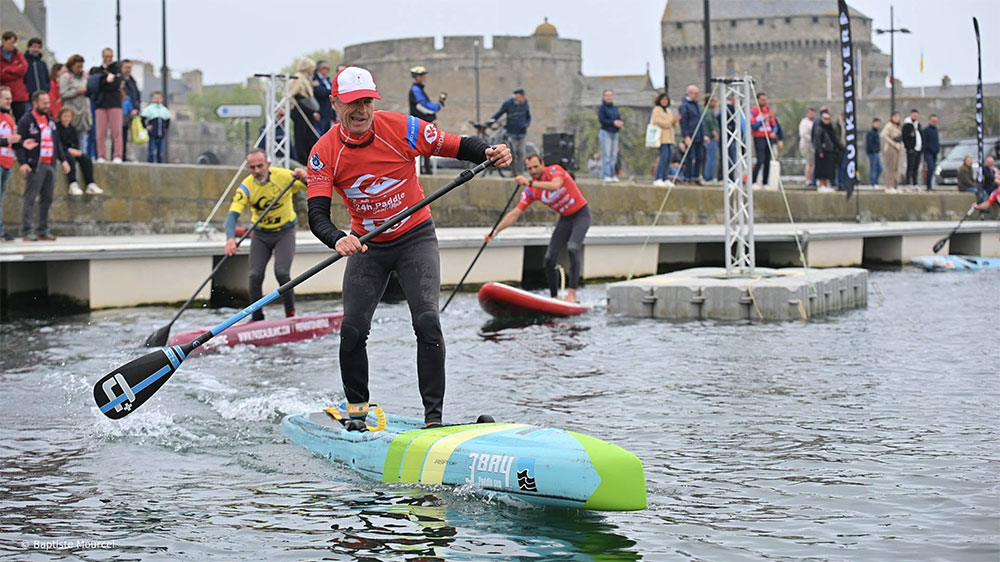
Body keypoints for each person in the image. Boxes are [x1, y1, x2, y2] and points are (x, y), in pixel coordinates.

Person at [306, 66, 511, 431]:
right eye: (352, 103)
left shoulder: (403, 127)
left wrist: (489, 151)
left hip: (415, 238)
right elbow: (316, 215)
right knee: (352, 330)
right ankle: (356, 415)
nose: (361, 111)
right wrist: (338, 238)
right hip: (368, 248)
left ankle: (433, 421)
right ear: (335, 104)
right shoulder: (324, 153)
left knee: (428, 321)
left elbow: (457, 145)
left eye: (367, 102)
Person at [486, 153, 590, 303]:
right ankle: (554, 298)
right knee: (549, 259)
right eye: (530, 169)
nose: (533, 171)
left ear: (542, 164)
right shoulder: (530, 190)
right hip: (565, 219)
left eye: (536, 166)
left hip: (581, 215)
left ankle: (572, 294)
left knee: (573, 248)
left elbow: (555, 186)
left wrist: (529, 182)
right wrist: (495, 231)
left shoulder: (555, 171)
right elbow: (515, 213)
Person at [224, 149, 307, 320]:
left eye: (260, 166)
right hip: (261, 235)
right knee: (255, 275)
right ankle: (257, 318)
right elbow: (232, 216)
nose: (256, 171)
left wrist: (304, 176)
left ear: (268, 165)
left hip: (285, 232)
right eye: (252, 167)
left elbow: (312, 185)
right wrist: (230, 239)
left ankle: (290, 315)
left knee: (282, 273)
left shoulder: (284, 176)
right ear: (248, 168)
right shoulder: (246, 187)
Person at [15, 91, 70, 241]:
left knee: (47, 198)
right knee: (30, 198)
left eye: (48, 102)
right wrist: (23, 162)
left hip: (50, 164)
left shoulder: (50, 120)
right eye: (44, 103)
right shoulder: (26, 120)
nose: (47, 106)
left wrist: (63, 160)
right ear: (35, 103)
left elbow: (56, 142)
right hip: (35, 165)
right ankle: (27, 231)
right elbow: (19, 143)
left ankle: (43, 230)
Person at [408, 66, 445, 175]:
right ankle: (425, 171)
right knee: (423, 147)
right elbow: (423, 106)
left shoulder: (419, 89)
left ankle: (426, 170)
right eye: (422, 76)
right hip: (419, 124)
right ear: (416, 77)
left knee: (426, 148)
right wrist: (438, 106)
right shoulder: (416, 90)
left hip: (422, 124)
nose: (424, 78)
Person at [55, 107, 101, 196]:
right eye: (64, 116)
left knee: (86, 159)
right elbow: (58, 143)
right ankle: (73, 183)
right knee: (70, 159)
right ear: (60, 117)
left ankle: (90, 183)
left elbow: (75, 142)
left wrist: (76, 150)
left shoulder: (72, 129)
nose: (66, 119)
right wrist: (69, 150)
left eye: (68, 117)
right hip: (61, 151)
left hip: (72, 150)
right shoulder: (57, 128)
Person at [1, 85, 26, 241]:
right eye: (6, 98)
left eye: (10, 98)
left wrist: (23, 144)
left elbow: (12, 141)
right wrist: (6, 140)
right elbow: (6, 140)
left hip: (7, 163)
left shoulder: (9, 117)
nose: (10, 101)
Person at [489, 88, 531, 175]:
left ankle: (520, 172)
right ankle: (514, 171)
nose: (523, 99)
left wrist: (527, 123)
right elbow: (500, 113)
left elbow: (528, 116)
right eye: (521, 97)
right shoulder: (508, 104)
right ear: (516, 96)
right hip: (512, 132)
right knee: (513, 153)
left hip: (522, 132)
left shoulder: (525, 104)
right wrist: (491, 121)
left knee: (521, 153)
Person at [94, 48, 123, 162]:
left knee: (116, 132)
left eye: (110, 57)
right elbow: (97, 85)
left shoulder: (117, 69)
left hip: (115, 103)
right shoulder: (98, 70)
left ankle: (117, 155)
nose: (108, 59)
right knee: (101, 132)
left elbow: (116, 84)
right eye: (106, 56)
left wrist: (106, 83)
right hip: (101, 104)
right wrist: (106, 82)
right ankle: (101, 155)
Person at [290, 57, 320, 164]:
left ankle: (309, 158)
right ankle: (302, 160)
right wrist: (293, 106)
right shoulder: (299, 78)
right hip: (301, 110)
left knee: (309, 137)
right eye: (311, 68)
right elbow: (290, 94)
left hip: (308, 111)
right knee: (301, 137)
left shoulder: (307, 79)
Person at [58, 55, 90, 154]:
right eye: (78, 67)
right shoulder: (65, 77)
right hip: (71, 112)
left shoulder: (86, 76)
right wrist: (77, 91)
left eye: (81, 66)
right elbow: (63, 94)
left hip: (83, 113)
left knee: (82, 140)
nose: (80, 69)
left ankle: (82, 159)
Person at [750, 92, 783, 187]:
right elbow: (753, 125)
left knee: (767, 160)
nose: (764, 102)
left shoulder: (768, 110)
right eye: (762, 100)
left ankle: (765, 182)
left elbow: (774, 124)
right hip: (759, 137)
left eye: (765, 100)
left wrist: (774, 132)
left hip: (768, 137)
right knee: (760, 159)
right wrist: (762, 120)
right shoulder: (754, 110)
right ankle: (753, 181)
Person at [650, 93, 679, 186]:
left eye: (666, 100)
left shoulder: (669, 111)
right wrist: (670, 122)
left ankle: (665, 177)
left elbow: (673, 125)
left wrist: (675, 120)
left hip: (670, 138)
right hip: (662, 138)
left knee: (668, 159)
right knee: (663, 158)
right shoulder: (657, 110)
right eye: (663, 100)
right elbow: (657, 122)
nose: (664, 101)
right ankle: (658, 177)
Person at [1, 31, 29, 121]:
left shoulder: (18, 54)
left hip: (19, 95)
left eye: (15, 43)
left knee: (21, 119)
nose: (14, 45)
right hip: (3, 94)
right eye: (12, 42)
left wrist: (8, 69)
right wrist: (16, 73)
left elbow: (24, 69)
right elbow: (1, 75)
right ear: (4, 41)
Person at [679, 85, 704, 185]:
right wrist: (686, 136)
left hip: (699, 135)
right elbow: (683, 121)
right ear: (689, 93)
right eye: (695, 93)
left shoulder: (697, 105)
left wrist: (703, 134)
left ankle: (696, 176)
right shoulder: (684, 105)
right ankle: (688, 177)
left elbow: (700, 121)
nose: (697, 96)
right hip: (690, 135)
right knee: (690, 157)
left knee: (700, 156)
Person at [597, 89, 623, 182]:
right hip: (606, 132)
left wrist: (619, 122)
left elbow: (618, 117)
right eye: (607, 95)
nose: (609, 97)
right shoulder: (602, 108)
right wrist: (613, 122)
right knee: (606, 155)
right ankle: (606, 175)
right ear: (604, 97)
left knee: (613, 155)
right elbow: (602, 120)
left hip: (615, 133)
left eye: (610, 95)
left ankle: (612, 174)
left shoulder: (614, 108)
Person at [141, 91, 170, 163]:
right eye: (155, 98)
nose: (157, 100)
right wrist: (146, 127)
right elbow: (142, 118)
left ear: (162, 99)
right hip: (152, 134)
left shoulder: (164, 109)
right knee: (151, 152)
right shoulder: (149, 109)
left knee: (160, 153)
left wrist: (165, 128)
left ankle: (160, 167)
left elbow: (168, 120)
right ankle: (149, 166)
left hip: (161, 134)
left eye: (159, 98)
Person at [119, 60, 140, 161]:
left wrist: (136, 109)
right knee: (120, 136)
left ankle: (129, 157)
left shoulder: (133, 82)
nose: (128, 70)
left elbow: (136, 96)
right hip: (121, 113)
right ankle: (120, 156)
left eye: (129, 68)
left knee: (131, 137)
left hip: (132, 114)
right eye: (126, 67)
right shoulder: (119, 81)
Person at [813, 110, 837, 191]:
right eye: (825, 119)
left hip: (829, 151)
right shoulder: (819, 129)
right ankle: (821, 185)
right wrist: (820, 151)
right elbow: (817, 141)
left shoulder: (830, 128)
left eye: (828, 119)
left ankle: (826, 185)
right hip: (822, 152)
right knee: (821, 170)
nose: (827, 121)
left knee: (827, 170)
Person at [880, 112, 903, 190]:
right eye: (896, 117)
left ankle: (894, 184)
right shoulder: (889, 125)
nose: (898, 118)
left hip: (897, 147)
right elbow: (883, 135)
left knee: (895, 167)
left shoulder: (897, 126)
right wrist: (892, 143)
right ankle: (889, 185)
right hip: (891, 148)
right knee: (891, 167)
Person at [901, 109, 922, 187]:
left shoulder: (918, 125)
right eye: (914, 115)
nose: (915, 117)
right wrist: (909, 148)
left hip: (918, 148)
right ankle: (908, 182)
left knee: (916, 167)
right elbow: (905, 137)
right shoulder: (907, 125)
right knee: (910, 166)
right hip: (911, 149)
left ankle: (915, 183)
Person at [312, 60, 334, 134]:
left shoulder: (327, 80)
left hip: (328, 112)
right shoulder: (314, 79)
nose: (326, 71)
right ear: (319, 69)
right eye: (324, 68)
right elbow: (320, 92)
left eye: (328, 69)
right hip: (320, 112)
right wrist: (333, 90)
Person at [702, 95, 720, 182]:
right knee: (711, 158)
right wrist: (715, 133)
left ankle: (709, 176)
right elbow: (709, 122)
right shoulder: (708, 112)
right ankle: (709, 176)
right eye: (715, 102)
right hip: (711, 138)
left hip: (710, 137)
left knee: (711, 158)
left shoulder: (707, 111)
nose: (716, 104)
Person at [798, 108, 816, 186]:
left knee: (812, 163)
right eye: (810, 113)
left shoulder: (813, 122)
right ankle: (808, 180)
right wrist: (813, 139)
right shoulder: (804, 122)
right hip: (807, 145)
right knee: (809, 163)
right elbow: (804, 134)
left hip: (812, 146)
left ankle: (812, 179)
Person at [922, 114, 939, 191]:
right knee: (930, 168)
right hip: (928, 153)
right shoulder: (926, 131)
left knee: (933, 169)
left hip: (934, 153)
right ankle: (928, 186)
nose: (934, 122)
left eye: (936, 121)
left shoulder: (935, 130)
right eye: (933, 121)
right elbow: (925, 143)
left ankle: (931, 185)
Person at [866, 118, 882, 186]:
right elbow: (869, 143)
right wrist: (873, 150)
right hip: (872, 153)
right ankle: (873, 182)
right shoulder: (871, 132)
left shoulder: (876, 132)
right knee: (873, 168)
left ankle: (875, 181)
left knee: (879, 168)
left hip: (876, 152)